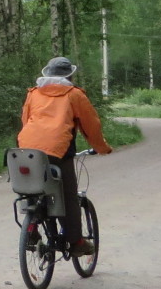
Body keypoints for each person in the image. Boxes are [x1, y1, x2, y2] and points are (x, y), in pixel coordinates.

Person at [17, 56, 112, 254]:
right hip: (58, 151)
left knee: (31, 188)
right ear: (70, 76)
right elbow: (91, 125)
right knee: (68, 196)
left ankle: (31, 228)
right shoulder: (74, 94)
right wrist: (101, 147)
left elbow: (25, 121)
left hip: (27, 149)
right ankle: (76, 243)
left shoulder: (34, 93)